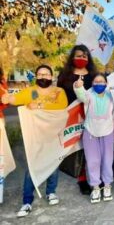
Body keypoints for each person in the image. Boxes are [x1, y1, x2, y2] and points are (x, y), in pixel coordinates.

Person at [1, 65, 68, 217]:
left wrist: (38, 105)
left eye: (46, 74)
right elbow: (15, 99)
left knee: (53, 163)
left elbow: (62, 106)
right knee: (32, 165)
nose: (43, 76)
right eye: (39, 74)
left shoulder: (59, 92)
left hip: (53, 135)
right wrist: (7, 97)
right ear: (36, 76)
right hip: (35, 136)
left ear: (51, 77)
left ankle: (51, 192)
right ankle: (27, 201)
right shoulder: (30, 91)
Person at [57, 44, 97, 195]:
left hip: (91, 117)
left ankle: (92, 177)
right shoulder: (65, 75)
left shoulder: (94, 75)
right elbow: (59, 95)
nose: (82, 58)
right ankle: (81, 179)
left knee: (90, 149)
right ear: (73, 57)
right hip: (71, 117)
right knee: (76, 147)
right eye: (79, 55)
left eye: (85, 56)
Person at [74, 73, 114, 204]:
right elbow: (81, 96)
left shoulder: (111, 95)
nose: (99, 83)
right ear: (92, 83)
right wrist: (78, 87)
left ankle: (107, 185)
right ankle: (95, 187)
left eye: (102, 81)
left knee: (107, 160)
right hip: (90, 132)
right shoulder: (88, 94)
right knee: (93, 161)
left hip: (108, 132)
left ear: (106, 83)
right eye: (96, 81)